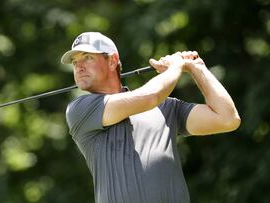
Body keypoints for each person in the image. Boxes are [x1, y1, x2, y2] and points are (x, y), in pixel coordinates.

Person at [60, 32, 241, 203]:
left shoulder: (166, 107)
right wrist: (176, 66)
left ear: (112, 60)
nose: (79, 66)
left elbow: (227, 119)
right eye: (75, 62)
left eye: (87, 57)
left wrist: (197, 68)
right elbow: (150, 97)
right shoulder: (80, 109)